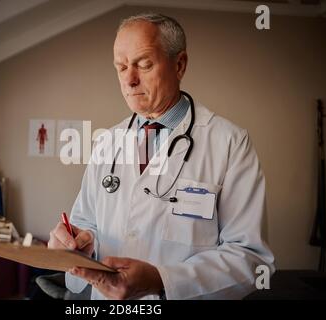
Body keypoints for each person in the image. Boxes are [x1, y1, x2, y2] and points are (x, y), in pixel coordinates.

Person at [48, 13, 275, 300]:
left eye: (144, 65)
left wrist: (161, 280)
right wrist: (78, 241)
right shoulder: (108, 141)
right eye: (120, 67)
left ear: (179, 65)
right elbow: (87, 222)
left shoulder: (229, 143)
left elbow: (250, 257)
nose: (129, 80)